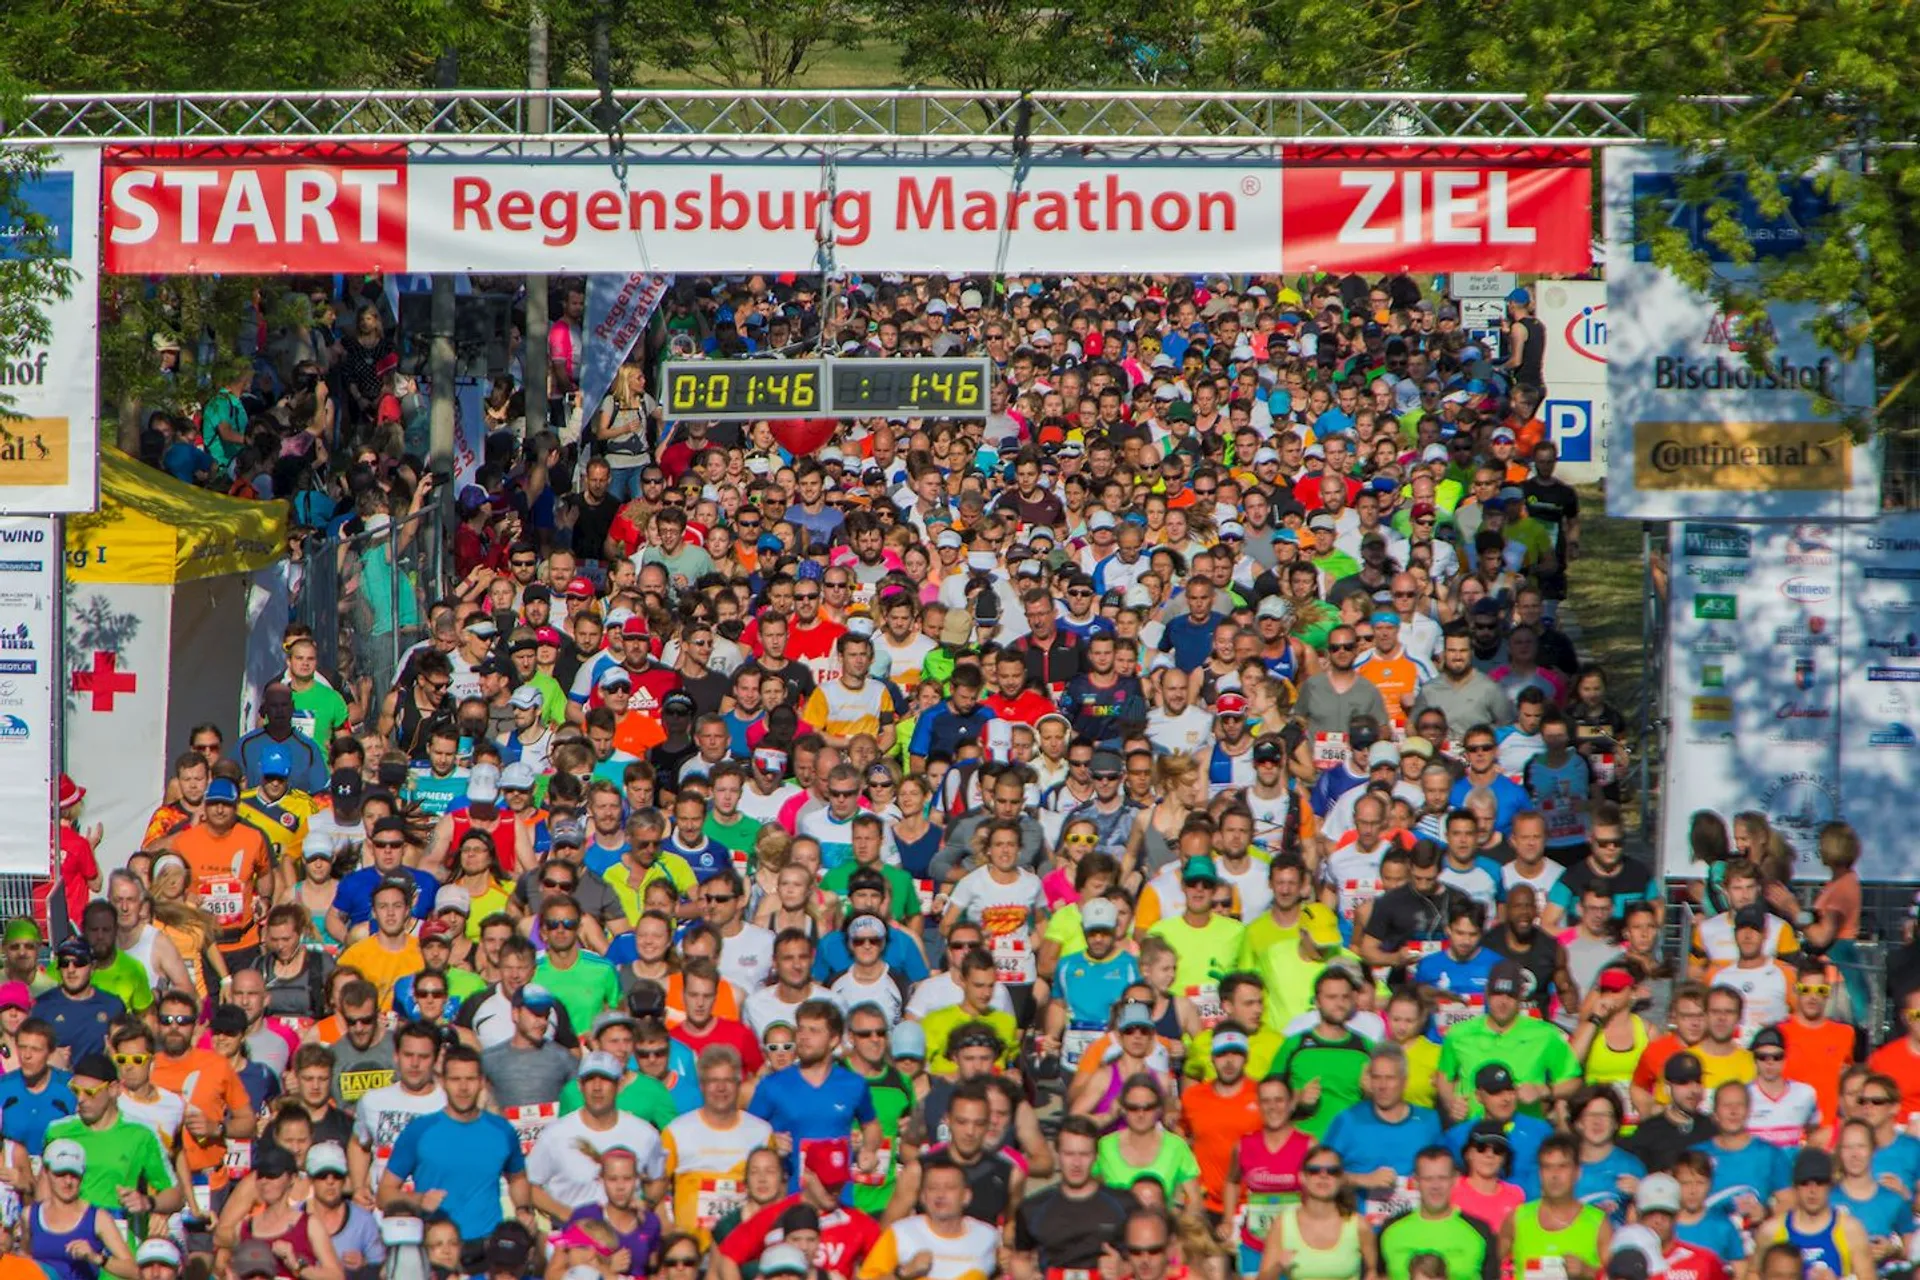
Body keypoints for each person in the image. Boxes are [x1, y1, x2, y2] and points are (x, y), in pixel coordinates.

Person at [1746, 1148, 1874, 1280]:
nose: (1812, 1191)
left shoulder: (1851, 1230)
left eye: (1820, 1183)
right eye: (1805, 1183)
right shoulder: (1771, 1231)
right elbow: (1753, 1274)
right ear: (1795, 1185)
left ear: (1830, 1185)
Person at [1374, 1146, 1498, 1280]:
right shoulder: (1390, 1230)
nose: (1435, 1186)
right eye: (1428, 1179)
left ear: (1455, 1180)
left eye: (1442, 1178)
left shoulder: (1480, 1231)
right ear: (1415, 1182)